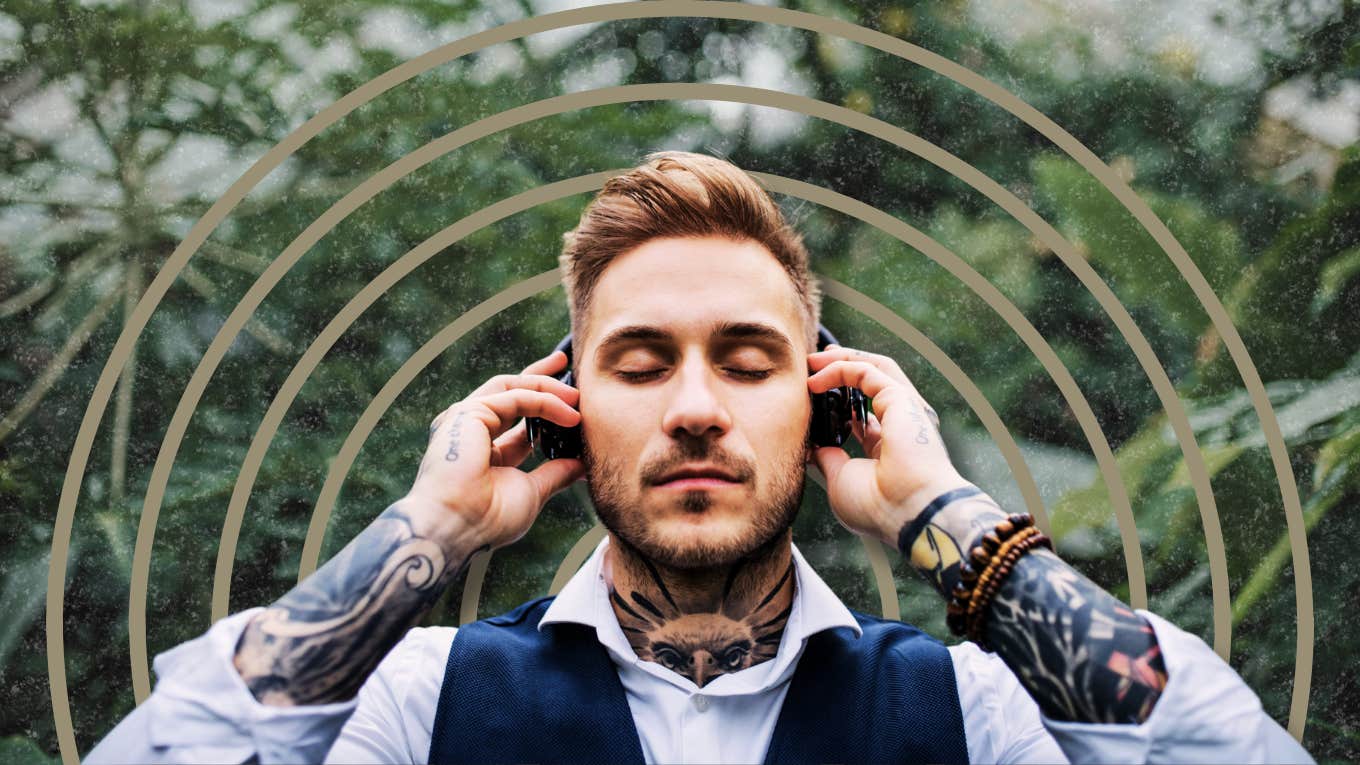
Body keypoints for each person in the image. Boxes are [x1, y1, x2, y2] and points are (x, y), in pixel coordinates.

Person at [89, 151, 1312, 764]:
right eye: (636, 363)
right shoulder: (424, 700)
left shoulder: (965, 709)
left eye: (744, 359)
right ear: (564, 406)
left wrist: (944, 516)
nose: (692, 408)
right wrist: (433, 532)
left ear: (822, 409)